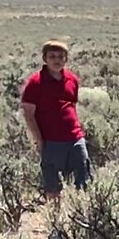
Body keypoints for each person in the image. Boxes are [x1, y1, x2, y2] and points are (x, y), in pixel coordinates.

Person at [21, 39, 90, 202]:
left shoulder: (72, 80)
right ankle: (54, 221)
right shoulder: (35, 82)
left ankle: (83, 219)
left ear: (66, 59)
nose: (57, 60)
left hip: (75, 138)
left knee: (84, 181)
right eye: (52, 56)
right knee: (53, 186)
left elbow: (71, 106)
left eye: (61, 56)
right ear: (45, 59)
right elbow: (29, 114)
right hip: (51, 141)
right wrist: (39, 139)